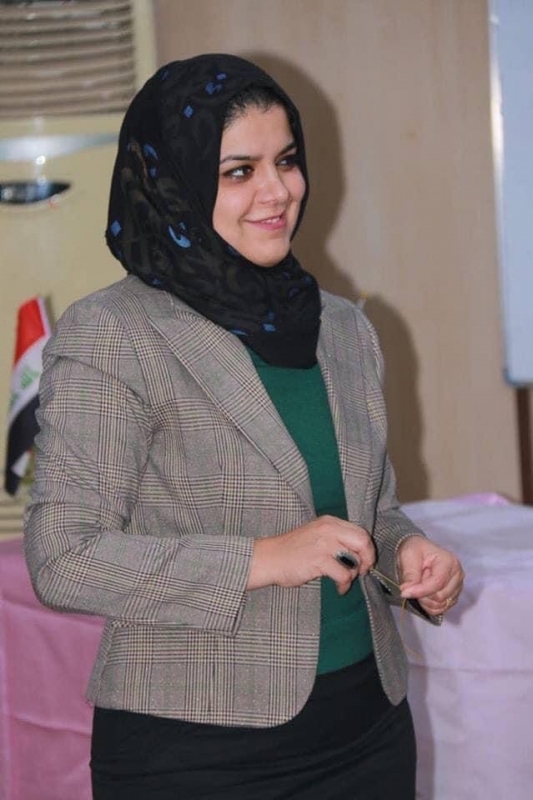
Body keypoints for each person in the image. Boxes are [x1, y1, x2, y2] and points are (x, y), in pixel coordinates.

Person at [24, 53, 464, 799]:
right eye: (239, 171)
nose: (278, 191)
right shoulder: (113, 333)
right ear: (176, 182)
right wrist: (262, 559)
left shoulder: (341, 327)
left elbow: (369, 510)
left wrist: (406, 554)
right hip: (196, 752)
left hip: (368, 728)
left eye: (286, 161)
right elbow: (63, 558)